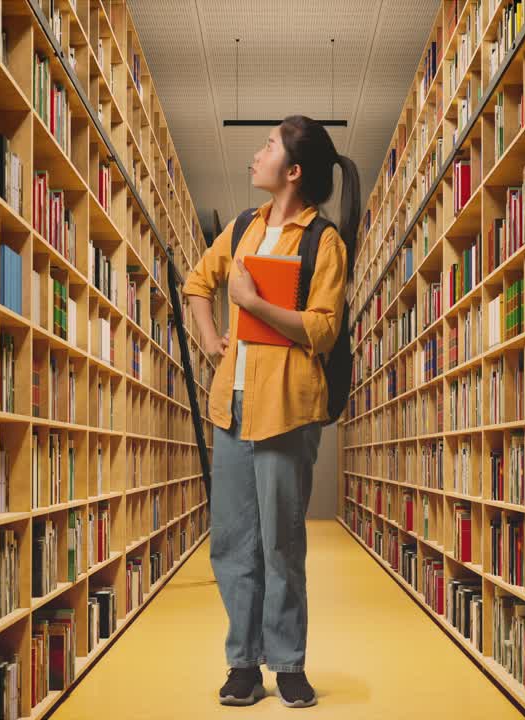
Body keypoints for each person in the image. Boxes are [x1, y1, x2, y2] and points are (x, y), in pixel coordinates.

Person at [181, 115, 360, 708]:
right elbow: (195, 286)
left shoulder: (322, 241)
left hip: (287, 408)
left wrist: (254, 304)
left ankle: (287, 663)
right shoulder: (240, 228)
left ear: (294, 170)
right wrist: (213, 344)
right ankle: (242, 664)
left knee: (282, 544)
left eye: (268, 146)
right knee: (232, 545)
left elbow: (324, 330)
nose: (256, 155)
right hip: (229, 408)